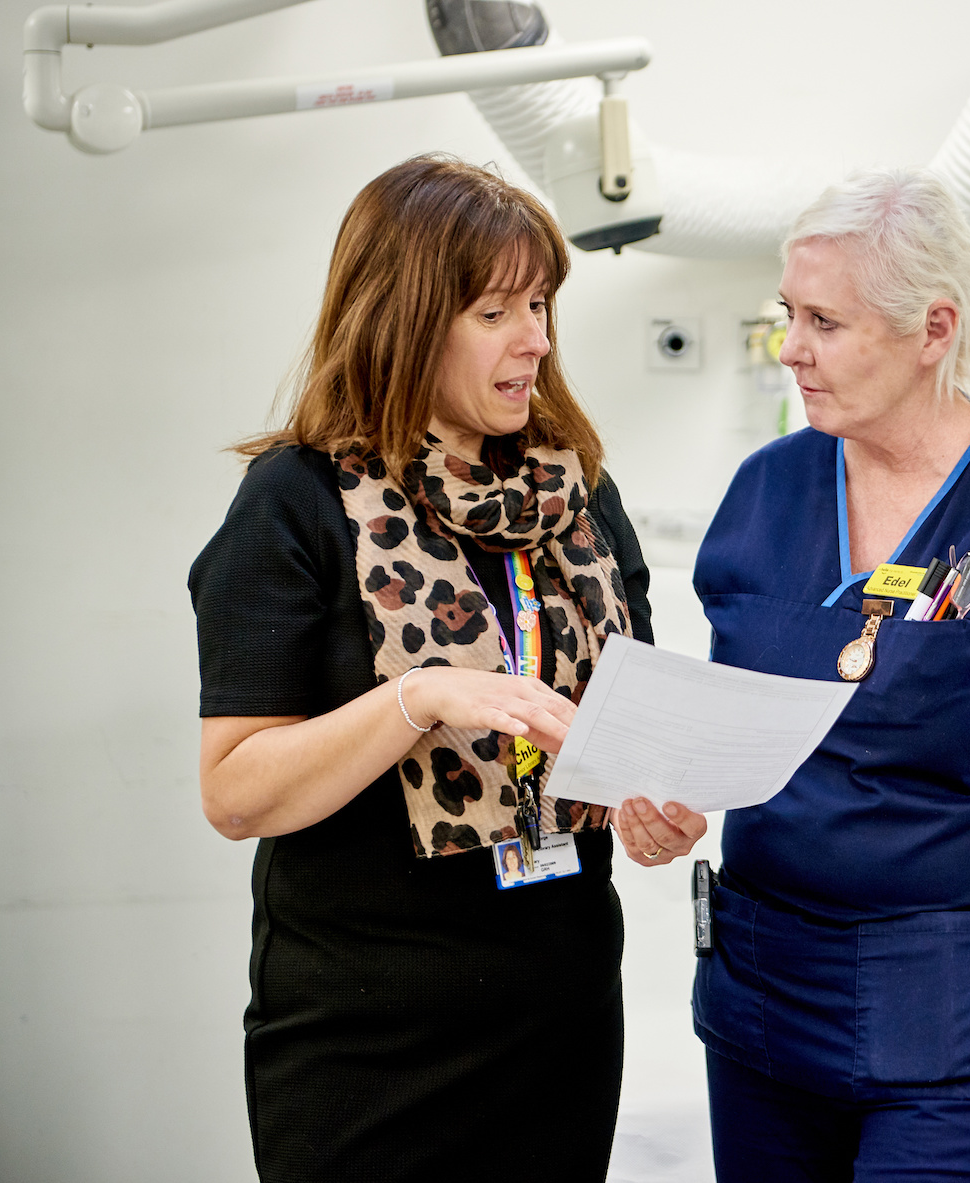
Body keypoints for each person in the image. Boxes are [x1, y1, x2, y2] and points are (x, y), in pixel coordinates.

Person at [615, 169, 970, 1181]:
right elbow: (735, 742)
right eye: (787, 315)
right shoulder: (766, 491)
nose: (791, 348)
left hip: (962, 1021)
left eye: (826, 323)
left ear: (933, 329)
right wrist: (665, 810)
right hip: (762, 1003)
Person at [188, 154, 696, 1181]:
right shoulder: (295, 503)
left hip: (560, 1016)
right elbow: (236, 792)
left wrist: (656, 800)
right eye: (495, 311)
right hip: (369, 1044)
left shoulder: (579, 495)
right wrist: (416, 698)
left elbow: (626, 720)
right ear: (406, 317)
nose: (536, 341)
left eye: (542, 304)